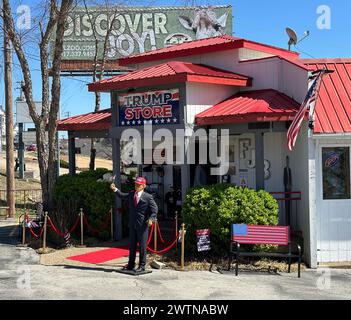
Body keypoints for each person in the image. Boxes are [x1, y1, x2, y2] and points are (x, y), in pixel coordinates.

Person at [110, 177, 158, 272]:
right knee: (132, 245)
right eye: (136, 184)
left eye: (139, 184)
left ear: (143, 186)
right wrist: (115, 189)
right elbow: (123, 196)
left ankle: (142, 266)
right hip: (132, 224)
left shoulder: (148, 197)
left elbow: (154, 209)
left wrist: (151, 219)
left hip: (142, 225)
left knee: (142, 246)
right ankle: (131, 264)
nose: (137, 186)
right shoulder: (132, 194)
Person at [283, 156, 292, 226]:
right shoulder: (284, 169)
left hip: (290, 189)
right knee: (286, 205)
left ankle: (289, 224)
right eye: (286, 160)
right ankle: (286, 224)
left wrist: (290, 185)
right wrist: (286, 185)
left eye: (288, 160)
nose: (287, 161)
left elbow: (290, 178)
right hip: (286, 189)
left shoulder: (290, 170)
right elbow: (284, 179)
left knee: (290, 205)